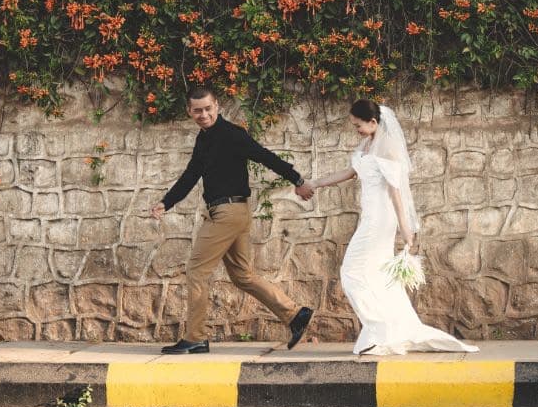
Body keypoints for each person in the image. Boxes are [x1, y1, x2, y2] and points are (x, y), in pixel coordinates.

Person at [301, 100, 478, 355]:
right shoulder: (367, 144)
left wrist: (406, 229)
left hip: (380, 220)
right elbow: (349, 172)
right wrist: (316, 183)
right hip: (369, 217)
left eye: (358, 125)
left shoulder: (389, 148)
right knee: (377, 275)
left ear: (373, 122)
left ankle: (378, 328)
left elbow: (396, 193)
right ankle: (385, 330)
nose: (356, 130)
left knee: (351, 271)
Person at [150, 85, 315, 354]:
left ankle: (195, 337)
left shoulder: (232, 134)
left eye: (208, 109)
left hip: (226, 213)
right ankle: (295, 314)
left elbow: (265, 156)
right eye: (197, 111)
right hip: (232, 213)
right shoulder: (203, 139)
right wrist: (165, 202)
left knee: (196, 271)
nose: (203, 114)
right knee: (242, 275)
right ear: (189, 112)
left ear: (217, 106)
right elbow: (191, 175)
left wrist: (298, 180)